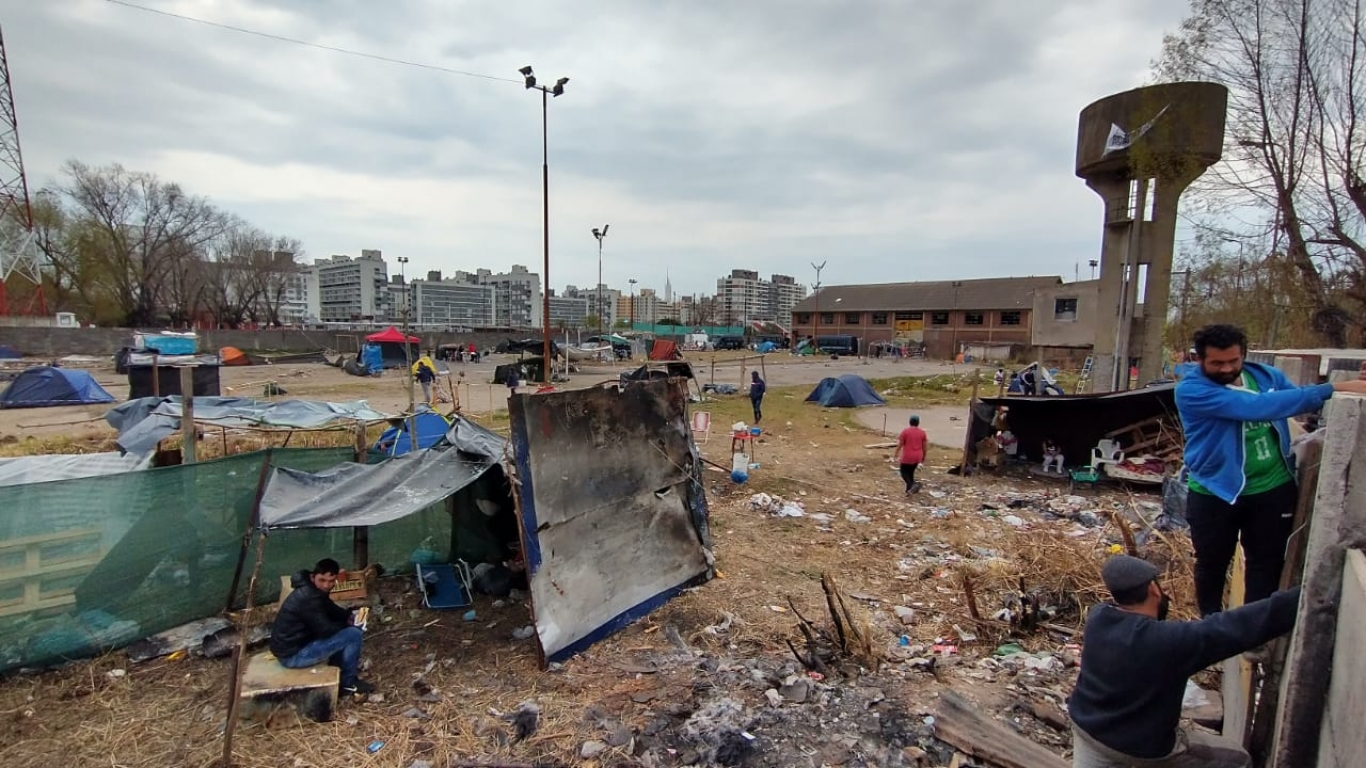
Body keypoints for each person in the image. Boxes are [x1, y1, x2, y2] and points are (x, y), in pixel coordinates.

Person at [1175, 323, 1366, 615]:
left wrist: (1353, 389)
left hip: (1272, 487)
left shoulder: (1265, 376)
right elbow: (1259, 406)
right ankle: (1210, 629)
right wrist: (1334, 387)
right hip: (1216, 489)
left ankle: (1253, 636)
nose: (1227, 368)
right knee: (1211, 564)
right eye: (1217, 363)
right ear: (1199, 359)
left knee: (1266, 562)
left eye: (1233, 361)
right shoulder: (1192, 390)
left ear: (1243, 355)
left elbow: (1293, 400)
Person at [1068, 555, 1300, 768]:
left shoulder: (1098, 618)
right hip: (1140, 747)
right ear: (1153, 590)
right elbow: (1233, 627)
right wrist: (1301, 597)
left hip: (1087, 730)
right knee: (1237, 760)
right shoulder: (1169, 642)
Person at [270, 558, 374, 696]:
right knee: (353, 635)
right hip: (292, 655)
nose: (326, 585)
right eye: (322, 580)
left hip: (292, 646)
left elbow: (329, 607)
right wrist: (349, 624)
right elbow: (325, 630)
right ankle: (347, 684)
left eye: (331, 581)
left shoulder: (311, 589)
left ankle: (337, 666)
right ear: (313, 577)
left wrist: (348, 615)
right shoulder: (308, 598)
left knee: (348, 630)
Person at [892, 415, 929, 494]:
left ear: (910, 422)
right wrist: (924, 456)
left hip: (907, 456)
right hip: (917, 457)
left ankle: (912, 485)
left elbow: (900, 444)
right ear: (918, 423)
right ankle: (909, 490)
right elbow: (924, 446)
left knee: (904, 472)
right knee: (910, 472)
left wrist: (896, 453)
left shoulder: (905, 431)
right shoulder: (922, 432)